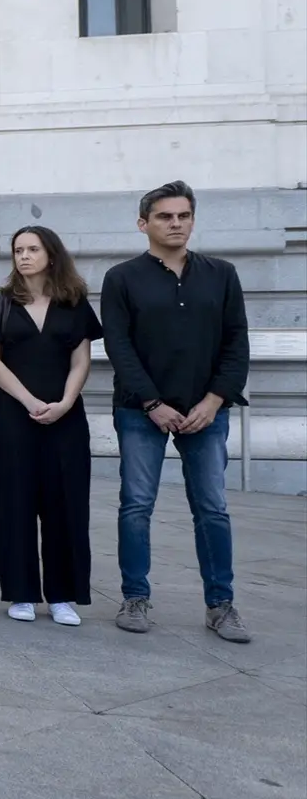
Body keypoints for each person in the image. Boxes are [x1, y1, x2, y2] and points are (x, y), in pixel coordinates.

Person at [103, 181, 251, 643]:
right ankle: (135, 597)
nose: (176, 224)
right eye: (165, 217)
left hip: (206, 411)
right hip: (140, 411)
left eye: (184, 216)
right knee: (136, 506)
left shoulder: (222, 274)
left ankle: (221, 605)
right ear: (143, 223)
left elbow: (236, 343)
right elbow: (119, 348)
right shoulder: (122, 278)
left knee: (212, 508)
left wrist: (214, 400)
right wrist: (153, 403)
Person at [0, 226, 100, 626]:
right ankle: (22, 593)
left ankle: (63, 596)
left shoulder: (74, 302)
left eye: (33, 249)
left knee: (65, 503)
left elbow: (82, 360)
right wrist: (30, 400)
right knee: (13, 503)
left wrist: (65, 402)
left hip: (65, 418)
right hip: (10, 416)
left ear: (52, 254)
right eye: (18, 250)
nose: (24, 256)